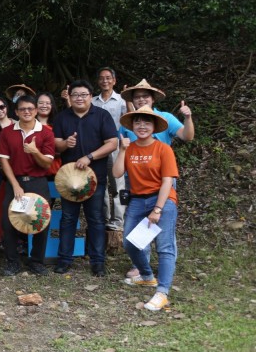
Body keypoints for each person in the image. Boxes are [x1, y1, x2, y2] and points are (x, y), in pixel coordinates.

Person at [113, 106, 179, 312]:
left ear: (154, 127)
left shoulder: (163, 149)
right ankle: (147, 276)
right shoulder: (130, 148)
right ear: (132, 126)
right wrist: (122, 149)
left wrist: (158, 209)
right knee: (130, 242)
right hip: (137, 201)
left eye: (147, 123)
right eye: (138, 122)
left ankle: (162, 292)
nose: (142, 126)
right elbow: (117, 173)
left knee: (164, 247)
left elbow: (168, 181)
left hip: (162, 200)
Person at [52, 80, 118, 276]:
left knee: (96, 219)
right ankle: (64, 259)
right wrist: (66, 143)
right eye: (75, 95)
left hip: (94, 178)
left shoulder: (102, 115)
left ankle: (97, 261)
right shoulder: (62, 117)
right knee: (68, 219)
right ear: (69, 97)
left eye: (83, 94)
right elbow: (56, 145)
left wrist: (90, 157)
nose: (79, 98)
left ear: (91, 96)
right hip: (68, 179)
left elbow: (112, 143)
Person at [0, 96, 55, 276]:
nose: (27, 112)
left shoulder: (45, 132)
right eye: (23, 109)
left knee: (40, 222)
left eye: (30, 108)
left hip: (38, 182)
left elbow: (46, 164)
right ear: (16, 112)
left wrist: (35, 151)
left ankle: (36, 261)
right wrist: (15, 185)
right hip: (16, 182)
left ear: (36, 110)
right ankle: (12, 261)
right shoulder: (7, 132)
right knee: (9, 223)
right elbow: (4, 161)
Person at [91, 67, 127, 232]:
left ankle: (118, 220)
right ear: (98, 81)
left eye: (108, 78)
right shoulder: (92, 101)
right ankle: (104, 219)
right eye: (101, 78)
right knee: (100, 184)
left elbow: (129, 122)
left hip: (116, 147)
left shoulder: (121, 100)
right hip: (97, 147)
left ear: (114, 80)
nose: (105, 81)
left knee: (118, 185)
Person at [119, 79, 194, 145]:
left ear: (153, 99)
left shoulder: (166, 117)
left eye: (145, 96)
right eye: (137, 97)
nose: (141, 99)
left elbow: (187, 137)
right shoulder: (128, 120)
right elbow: (120, 146)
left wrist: (188, 117)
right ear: (132, 100)